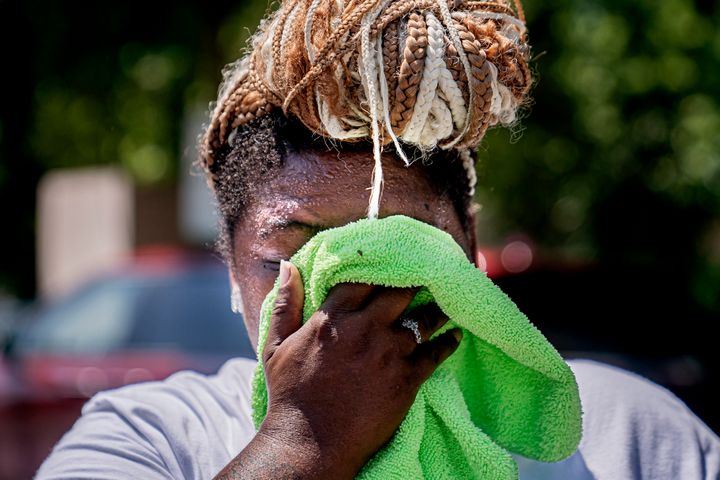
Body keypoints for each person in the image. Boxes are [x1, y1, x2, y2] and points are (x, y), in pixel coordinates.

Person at [37, 0, 719, 478]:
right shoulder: (150, 438)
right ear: (231, 268)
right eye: (290, 258)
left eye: (402, 251)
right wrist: (305, 440)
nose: (350, 300)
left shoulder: (628, 437)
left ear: (468, 246)